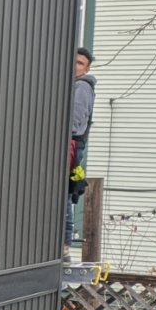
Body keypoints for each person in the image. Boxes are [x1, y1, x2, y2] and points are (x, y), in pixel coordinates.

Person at [67, 48, 95, 244]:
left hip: (72, 144)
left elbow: (74, 122)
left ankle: (64, 244)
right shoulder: (74, 86)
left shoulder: (82, 87)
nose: (76, 66)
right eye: (74, 61)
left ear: (86, 68)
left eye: (80, 63)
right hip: (73, 144)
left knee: (64, 193)